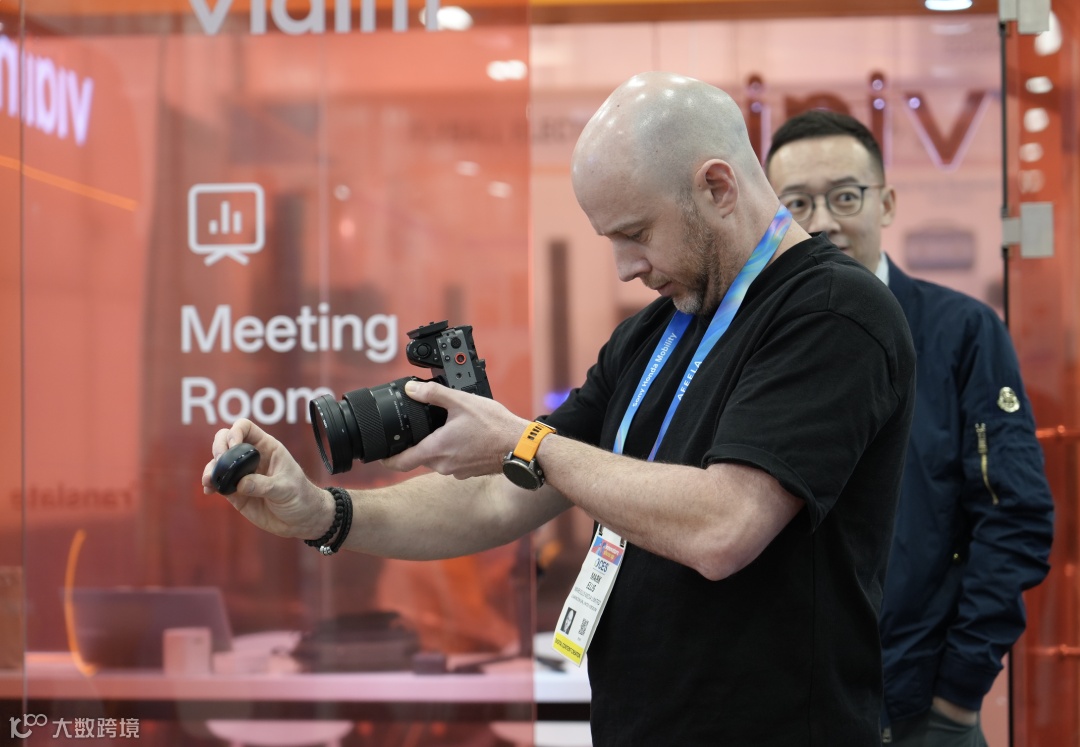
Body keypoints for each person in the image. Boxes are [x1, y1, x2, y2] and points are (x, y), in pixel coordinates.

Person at [203, 72, 916, 746]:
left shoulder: (834, 313)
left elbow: (726, 526)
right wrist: (324, 514)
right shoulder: (653, 334)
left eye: (637, 232)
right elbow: (500, 497)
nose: (626, 267)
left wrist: (528, 442)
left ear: (717, 187)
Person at [765, 109, 1054, 747]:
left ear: (887, 202)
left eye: (845, 196)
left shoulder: (961, 332)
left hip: (919, 711)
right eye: (797, 203)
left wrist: (958, 694)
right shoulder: (755, 346)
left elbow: (1014, 514)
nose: (823, 221)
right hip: (787, 710)